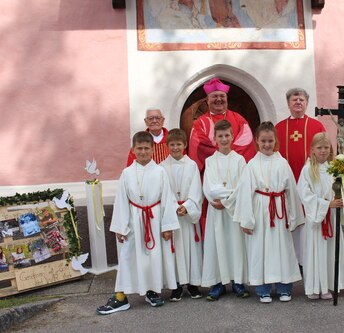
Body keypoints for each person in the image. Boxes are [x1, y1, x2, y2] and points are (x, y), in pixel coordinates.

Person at [96, 131, 180, 315]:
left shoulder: (160, 171)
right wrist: (120, 227)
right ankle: (121, 296)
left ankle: (151, 291)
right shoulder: (126, 173)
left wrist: (168, 226)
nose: (143, 152)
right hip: (134, 219)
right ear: (133, 150)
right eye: (139, 148)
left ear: (153, 150)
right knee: (128, 256)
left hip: (155, 219)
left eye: (146, 148)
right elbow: (121, 201)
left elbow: (167, 199)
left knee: (153, 257)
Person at [233, 122, 304, 303]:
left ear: (275, 141)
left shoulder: (282, 163)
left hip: (280, 212)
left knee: (282, 248)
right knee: (261, 248)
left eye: (270, 141)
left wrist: (294, 216)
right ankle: (263, 288)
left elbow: (292, 191)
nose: (267, 144)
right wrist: (246, 220)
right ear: (257, 141)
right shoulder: (251, 165)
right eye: (263, 141)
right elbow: (245, 193)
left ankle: (284, 287)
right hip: (260, 212)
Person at [275, 88, 326, 268]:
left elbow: (324, 152)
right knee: (292, 219)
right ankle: (293, 261)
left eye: (301, 99)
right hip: (287, 183)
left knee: (307, 220)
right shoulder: (279, 128)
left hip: (311, 182)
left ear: (307, 103)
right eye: (294, 99)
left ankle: (308, 261)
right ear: (288, 104)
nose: (298, 102)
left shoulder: (316, 126)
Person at [297, 132, 344, 300]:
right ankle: (314, 286)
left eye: (326, 147)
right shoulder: (307, 170)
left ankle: (328, 285)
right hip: (316, 220)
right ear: (312, 149)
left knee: (329, 251)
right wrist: (326, 204)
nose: (323, 151)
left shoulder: (334, 169)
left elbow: (343, 189)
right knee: (316, 251)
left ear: (330, 149)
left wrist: (339, 199)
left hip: (332, 218)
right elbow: (304, 194)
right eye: (319, 148)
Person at [201, 120, 249, 301]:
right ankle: (218, 283)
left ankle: (238, 281)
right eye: (220, 136)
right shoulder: (210, 161)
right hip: (217, 211)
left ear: (232, 136)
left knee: (235, 244)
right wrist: (218, 198)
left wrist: (227, 200)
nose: (224, 139)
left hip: (234, 210)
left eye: (227, 135)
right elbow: (208, 187)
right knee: (217, 244)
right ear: (214, 138)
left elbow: (242, 185)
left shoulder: (240, 160)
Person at [160, 129, 204, 302]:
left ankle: (193, 284)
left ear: (185, 145)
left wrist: (186, 207)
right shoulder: (162, 167)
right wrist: (172, 208)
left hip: (187, 217)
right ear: (167, 146)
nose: (176, 147)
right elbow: (163, 192)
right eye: (172, 144)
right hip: (173, 216)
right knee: (174, 250)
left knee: (191, 250)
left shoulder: (192, 165)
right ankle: (176, 286)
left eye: (179, 144)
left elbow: (197, 190)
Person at [188, 77, 255, 174]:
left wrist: (228, 155)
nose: (219, 99)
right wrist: (223, 155)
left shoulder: (239, 119)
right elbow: (199, 147)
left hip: (236, 171)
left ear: (227, 98)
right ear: (207, 100)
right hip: (211, 172)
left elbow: (246, 143)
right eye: (214, 96)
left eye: (222, 96)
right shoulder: (200, 123)